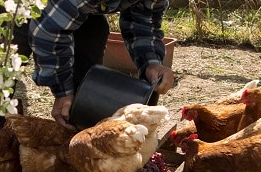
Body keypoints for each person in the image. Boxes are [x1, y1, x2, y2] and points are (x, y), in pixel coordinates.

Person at [29, 0, 175, 130]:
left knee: (94, 33)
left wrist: (151, 63)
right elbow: (46, 30)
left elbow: (144, 19)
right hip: (19, 7)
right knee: (8, 65)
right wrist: (62, 91)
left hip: (70, 7)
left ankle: (77, 127)